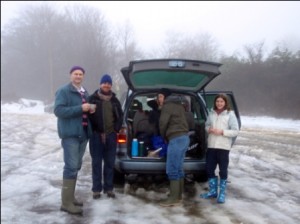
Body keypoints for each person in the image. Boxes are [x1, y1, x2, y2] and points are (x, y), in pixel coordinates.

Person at [54, 65, 94, 215]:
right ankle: (66, 203)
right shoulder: (64, 91)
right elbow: (58, 111)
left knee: (76, 166)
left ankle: (70, 198)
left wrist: (90, 110)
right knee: (70, 167)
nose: (78, 76)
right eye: (75, 74)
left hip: (82, 134)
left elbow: (84, 111)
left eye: (80, 74)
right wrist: (80, 108)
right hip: (70, 135)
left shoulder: (84, 92)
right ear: (70, 75)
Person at [88, 74, 123, 199]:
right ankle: (96, 190)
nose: (106, 85)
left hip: (111, 136)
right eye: (104, 83)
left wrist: (116, 129)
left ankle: (109, 188)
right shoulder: (92, 99)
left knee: (109, 163)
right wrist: (91, 131)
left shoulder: (114, 100)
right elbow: (87, 117)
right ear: (100, 84)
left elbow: (120, 116)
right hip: (96, 136)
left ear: (111, 85)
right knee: (96, 163)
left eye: (109, 83)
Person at [199, 93, 239, 203]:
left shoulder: (230, 114)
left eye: (221, 101)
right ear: (215, 102)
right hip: (211, 146)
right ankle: (213, 192)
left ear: (225, 102)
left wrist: (222, 132)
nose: (219, 103)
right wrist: (209, 129)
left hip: (223, 147)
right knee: (209, 169)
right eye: (217, 101)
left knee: (223, 171)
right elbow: (206, 125)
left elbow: (235, 131)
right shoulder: (211, 113)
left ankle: (222, 194)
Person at [158, 88, 190, 207]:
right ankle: (178, 195)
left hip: (176, 139)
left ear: (165, 97)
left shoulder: (167, 106)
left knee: (172, 168)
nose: (159, 99)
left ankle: (173, 198)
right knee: (178, 168)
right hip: (184, 138)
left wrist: (163, 137)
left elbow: (162, 123)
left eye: (160, 96)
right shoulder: (179, 105)